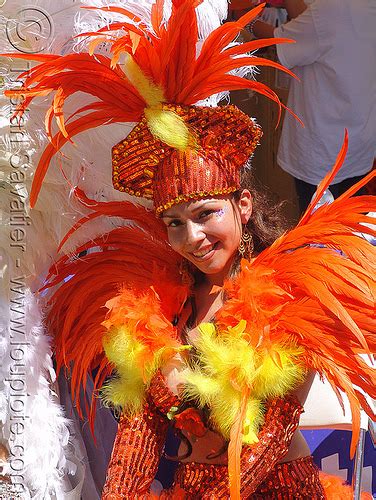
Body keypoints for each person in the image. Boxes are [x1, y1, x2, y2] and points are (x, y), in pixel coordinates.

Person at [3, 1, 375, 498]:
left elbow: (260, 448)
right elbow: (138, 436)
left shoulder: (291, 302)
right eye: (174, 223)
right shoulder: (156, 308)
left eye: (205, 215)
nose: (191, 238)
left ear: (243, 205)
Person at [250, 0, 376, 213]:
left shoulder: (330, 10)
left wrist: (246, 20)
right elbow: (316, 25)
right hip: (359, 142)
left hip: (323, 149)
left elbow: (277, 39)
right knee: (352, 227)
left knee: (318, 234)